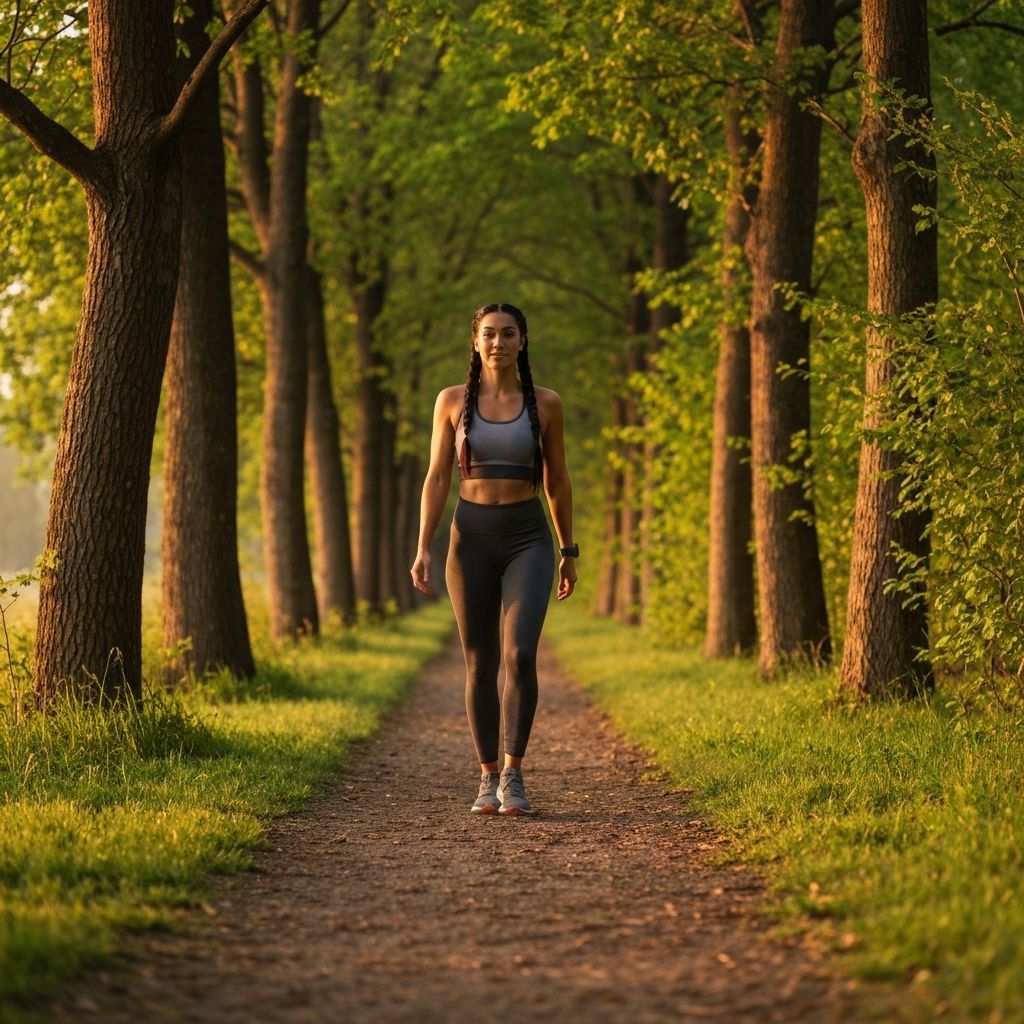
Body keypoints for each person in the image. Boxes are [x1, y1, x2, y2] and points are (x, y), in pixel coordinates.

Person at [410, 302, 577, 816]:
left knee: (520, 654)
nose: (498, 343)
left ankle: (514, 773)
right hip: (470, 539)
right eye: (489, 334)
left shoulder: (545, 403)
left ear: (523, 341)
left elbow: (556, 480)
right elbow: (438, 476)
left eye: (508, 334)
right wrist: (422, 546)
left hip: (528, 537)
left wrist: (568, 550)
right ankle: (486, 778)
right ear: (475, 341)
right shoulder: (451, 401)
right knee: (480, 661)